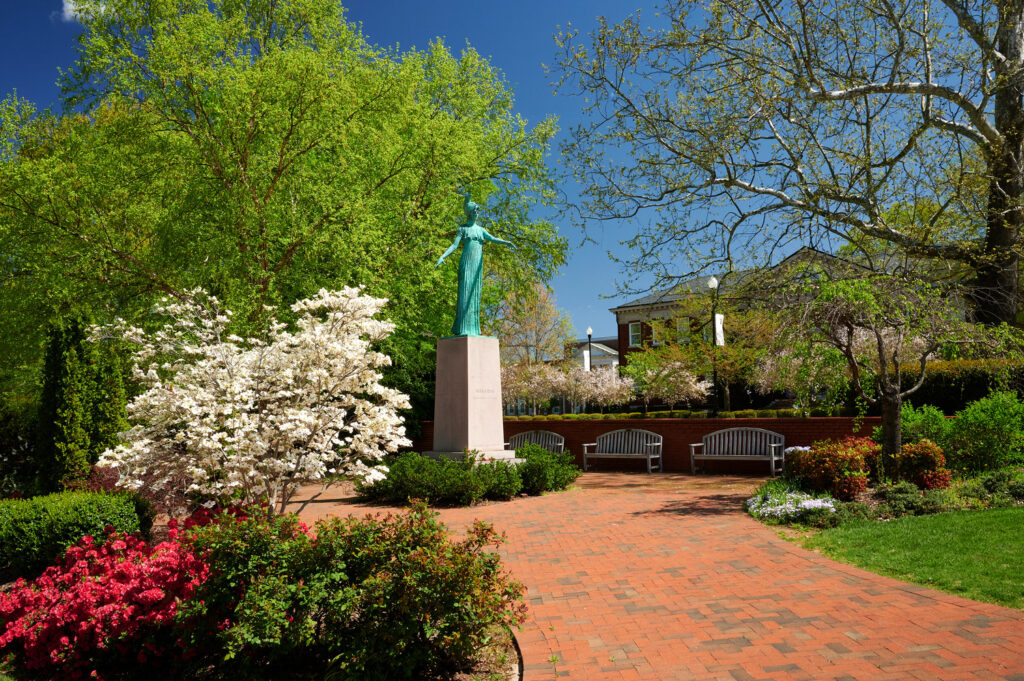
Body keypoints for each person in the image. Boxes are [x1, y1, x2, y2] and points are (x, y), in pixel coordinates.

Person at [436, 192, 515, 336]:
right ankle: (462, 329)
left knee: (474, 293)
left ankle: (473, 329)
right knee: (465, 293)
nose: (477, 214)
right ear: (470, 214)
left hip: (477, 262)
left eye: (477, 212)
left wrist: (506, 242)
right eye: (474, 212)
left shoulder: (481, 230)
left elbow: (492, 238)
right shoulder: (463, 229)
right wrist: (442, 256)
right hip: (467, 262)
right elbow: (454, 246)